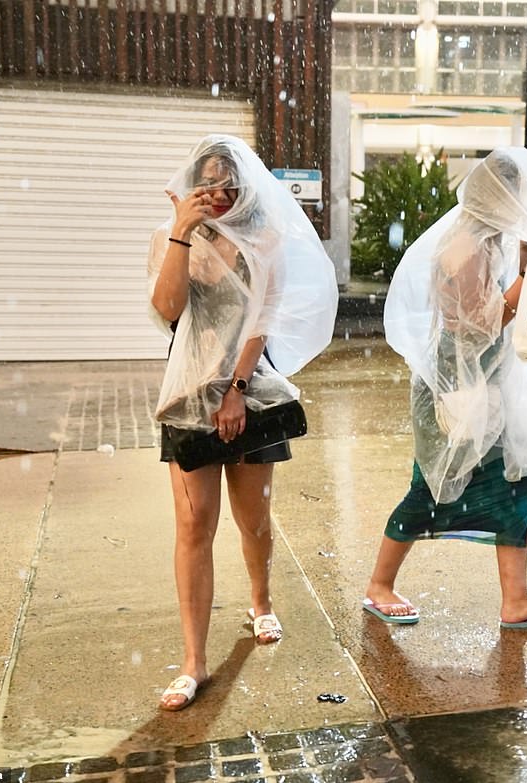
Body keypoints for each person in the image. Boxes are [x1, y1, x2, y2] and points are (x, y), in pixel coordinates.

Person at [147, 135, 338, 710]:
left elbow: (262, 320)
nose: (220, 198)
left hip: (250, 387)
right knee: (193, 525)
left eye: (229, 188)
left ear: (245, 188)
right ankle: (194, 661)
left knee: (253, 518)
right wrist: (182, 230)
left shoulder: (264, 240)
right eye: (208, 188)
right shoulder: (170, 238)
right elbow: (168, 309)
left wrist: (236, 391)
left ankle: (261, 600)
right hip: (188, 393)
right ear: (192, 187)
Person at [362, 147, 527, 630]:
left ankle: (516, 600)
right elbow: (478, 326)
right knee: (434, 488)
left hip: (480, 380)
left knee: (516, 484)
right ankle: (379, 585)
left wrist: (525, 262)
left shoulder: (487, 237)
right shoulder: (463, 247)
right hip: (453, 386)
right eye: (519, 193)